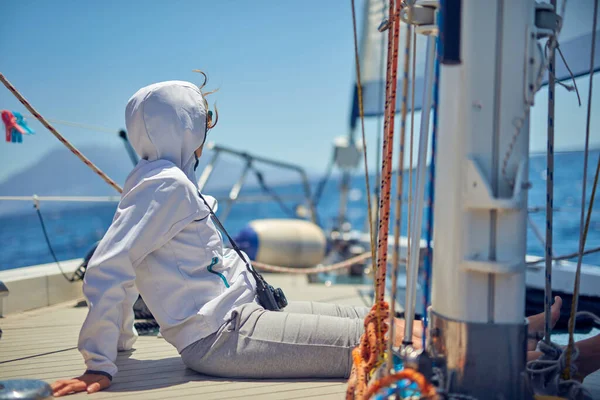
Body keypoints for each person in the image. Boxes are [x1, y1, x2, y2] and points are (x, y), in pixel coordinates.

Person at [50, 81, 599, 397]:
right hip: (225, 340)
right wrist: (101, 363)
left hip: (242, 319)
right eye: (203, 120)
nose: (208, 130)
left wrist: (119, 348)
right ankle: (550, 364)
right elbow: (111, 266)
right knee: (386, 346)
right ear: (183, 128)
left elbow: (121, 264)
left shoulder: (166, 181)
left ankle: (511, 337)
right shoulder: (162, 186)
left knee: (374, 316)